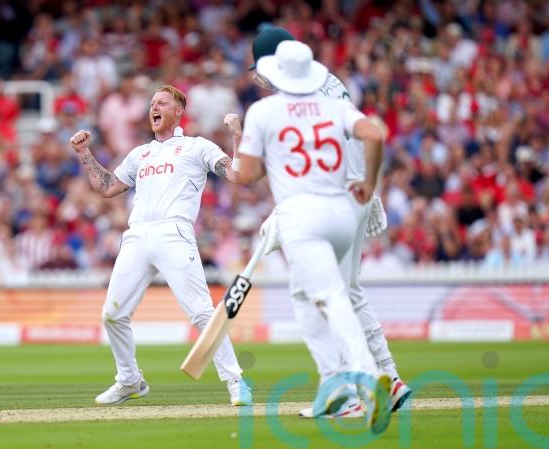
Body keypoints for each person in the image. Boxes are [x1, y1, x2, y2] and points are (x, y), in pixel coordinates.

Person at [246, 27, 412, 418]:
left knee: (324, 296)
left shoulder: (278, 106)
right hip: (352, 197)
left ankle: (354, 389)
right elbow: (365, 137)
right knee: (344, 293)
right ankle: (387, 378)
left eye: (260, 68)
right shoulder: (329, 86)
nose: (259, 77)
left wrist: (282, 209)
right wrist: (369, 186)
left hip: (322, 200)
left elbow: (268, 166)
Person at [69, 85, 252, 406]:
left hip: (174, 232)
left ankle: (236, 380)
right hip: (137, 235)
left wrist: (237, 136)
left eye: (163, 103)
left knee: (201, 312)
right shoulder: (140, 154)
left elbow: (236, 176)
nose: (154, 107)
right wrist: (84, 153)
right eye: (152, 103)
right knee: (112, 314)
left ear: (179, 111)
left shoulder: (196, 146)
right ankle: (130, 380)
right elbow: (108, 187)